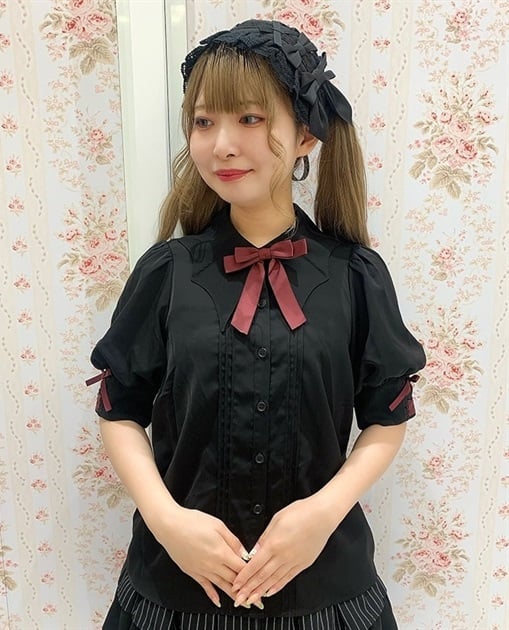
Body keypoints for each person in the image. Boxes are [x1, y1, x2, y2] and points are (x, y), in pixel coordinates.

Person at [87, 19, 426, 630]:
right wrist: (167, 521)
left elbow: (387, 416)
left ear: (305, 136)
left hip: (324, 589)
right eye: (203, 121)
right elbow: (119, 409)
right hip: (178, 591)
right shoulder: (168, 272)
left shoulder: (355, 276)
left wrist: (322, 514)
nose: (221, 145)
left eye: (249, 118)